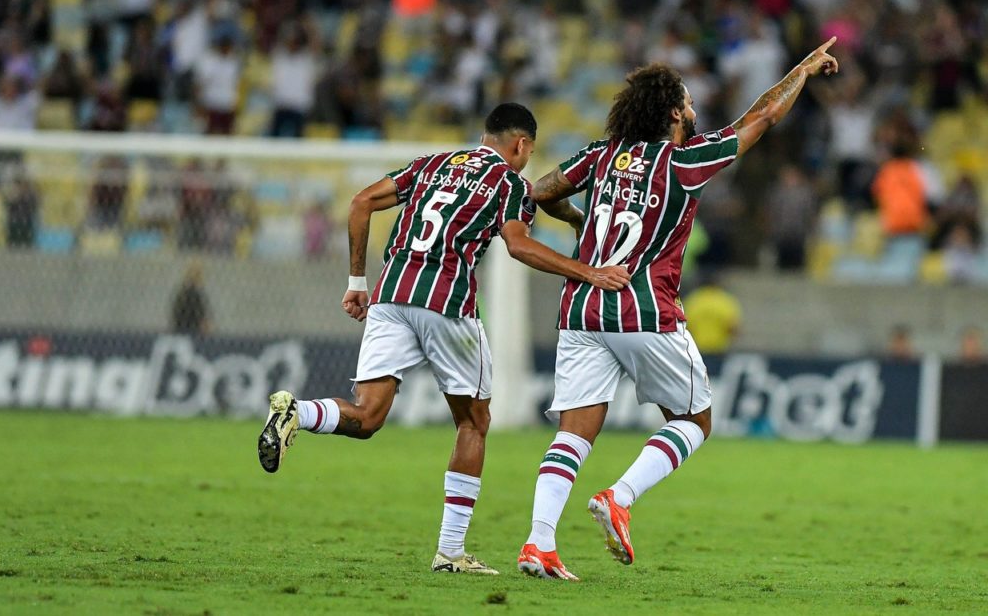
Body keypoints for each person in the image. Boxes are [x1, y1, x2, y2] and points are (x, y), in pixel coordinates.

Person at [256, 103, 630, 575]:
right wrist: (588, 272)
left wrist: (356, 282)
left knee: (368, 415)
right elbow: (517, 245)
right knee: (473, 423)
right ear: (521, 145)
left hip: (391, 297)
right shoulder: (511, 184)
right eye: (528, 153)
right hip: (446, 303)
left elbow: (360, 202)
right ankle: (451, 552)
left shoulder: (434, 164)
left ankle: (299, 412)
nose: (526, 161)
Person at [517, 37, 839, 580]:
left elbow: (541, 191)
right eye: (687, 102)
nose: (693, 110)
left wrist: (576, 221)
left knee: (573, 433)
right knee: (695, 419)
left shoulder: (600, 155)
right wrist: (802, 71)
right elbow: (761, 116)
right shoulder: (686, 161)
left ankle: (538, 545)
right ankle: (618, 497)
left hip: (581, 309)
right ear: (672, 112)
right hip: (643, 309)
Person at [682, 271, 742, 354]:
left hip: (696, 350)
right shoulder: (725, 301)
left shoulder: (693, 300)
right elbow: (733, 329)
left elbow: (684, 327)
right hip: (718, 350)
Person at [170, 261, 210, 335]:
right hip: (192, 331)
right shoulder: (192, 294)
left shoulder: (183, 293)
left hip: (183, 330)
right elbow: (202, 318)